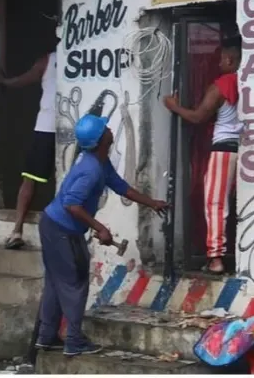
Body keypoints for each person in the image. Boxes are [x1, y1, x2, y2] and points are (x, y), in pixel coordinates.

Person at [35, 114, 169, 356]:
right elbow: (72, 204)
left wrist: (151, 203)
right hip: (61, 229)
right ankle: (74, 340)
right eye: (105, 128)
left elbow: (122, 187)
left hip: (58, 227)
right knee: (74, 283)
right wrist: (100, 228)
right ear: (101, 139)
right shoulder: (92, 170)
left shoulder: (98, 161)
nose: (109, 128)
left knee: (57, 282)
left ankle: (46, 337)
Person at [163, 33, 243, 275]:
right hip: (245, 148)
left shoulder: (223, 84)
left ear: (230, 60)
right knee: (240, 205)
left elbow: (198, 117)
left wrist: (173, 106)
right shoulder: (250, 82)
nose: (218, 65)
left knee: (215, 204)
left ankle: (216, 259)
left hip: (223, 149)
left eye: (221, 60)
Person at [0, 37, 58, 250]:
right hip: (74, 126)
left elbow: (22, 81)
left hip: (46, 127)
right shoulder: (80, 57)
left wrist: (3, 80)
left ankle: (17, 230)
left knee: (29, 179)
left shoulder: (47, 60)